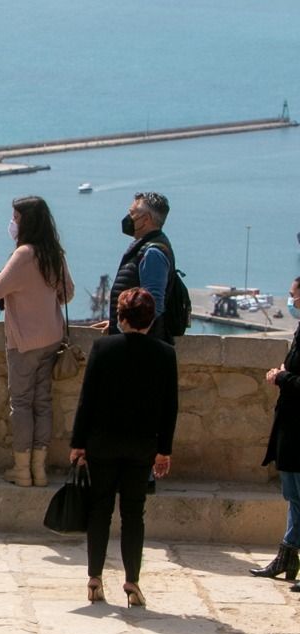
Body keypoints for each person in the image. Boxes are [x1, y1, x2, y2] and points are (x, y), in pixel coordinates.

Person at [69, 287, 178, 607]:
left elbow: (86, 399)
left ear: (120, 317)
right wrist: (164, 450)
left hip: (102, 443)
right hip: (141, 447)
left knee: (99, 509)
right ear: (151, 319)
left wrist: (78, 443)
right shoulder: (165, 354)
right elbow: (170, 406)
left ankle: (94, 578)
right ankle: (131, 581)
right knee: (134, 514)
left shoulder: (103, 347)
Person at [0, 197, 76, 487]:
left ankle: (21, 469)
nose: (12, 224)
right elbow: (67, 293)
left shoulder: (24, 255)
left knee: (21, 404)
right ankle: (39, 470)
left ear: (25, 222)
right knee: (43, 403)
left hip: (24, 342)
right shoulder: (53, 253)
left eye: (15, 218)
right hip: (52, 338)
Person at [251, 275, 300, 585]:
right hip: (291, 426)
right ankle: (287, 556)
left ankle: (286, 553)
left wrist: (280, 378)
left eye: (294, 295)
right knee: (293, 495)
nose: (290, 300)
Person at [101, 191, 176, 342]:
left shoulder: (152, 253)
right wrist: (117, 322)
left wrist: (126, 328)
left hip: (139, 349)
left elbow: (153, 305)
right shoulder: (146, 246)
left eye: (132, 213)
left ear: (146, 219)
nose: (128, 218)